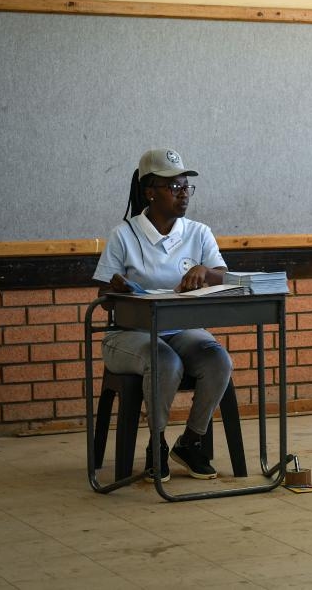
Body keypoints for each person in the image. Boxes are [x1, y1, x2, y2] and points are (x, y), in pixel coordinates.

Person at [93, 148, 233, 482]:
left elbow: (224, 276)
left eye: (186, 186)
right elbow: (103, 298)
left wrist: (204, 270)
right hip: (129, 334)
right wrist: (117, 290)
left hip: (181, 329)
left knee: (217, 360)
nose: (183, 193)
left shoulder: (199, 232)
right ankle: (155, 444)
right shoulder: (123, 235)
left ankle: (190, 441)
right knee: (164, 361)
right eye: (173, 187)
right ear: (150, 191)